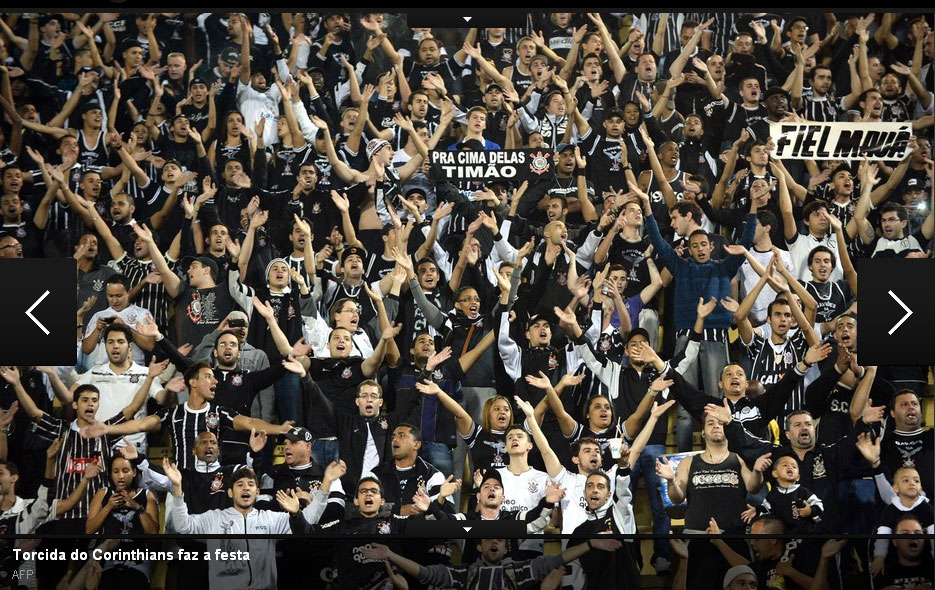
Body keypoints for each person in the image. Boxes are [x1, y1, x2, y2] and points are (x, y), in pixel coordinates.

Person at [361, 536, 623, 590]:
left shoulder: (519, 571)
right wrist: (391, 555)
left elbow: (556, 560)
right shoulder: (465, 573)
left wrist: (590, 544)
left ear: (507, 546)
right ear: (479, 547)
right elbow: (428, 574)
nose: (494, 543)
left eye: (499, 540)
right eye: (488, 540)